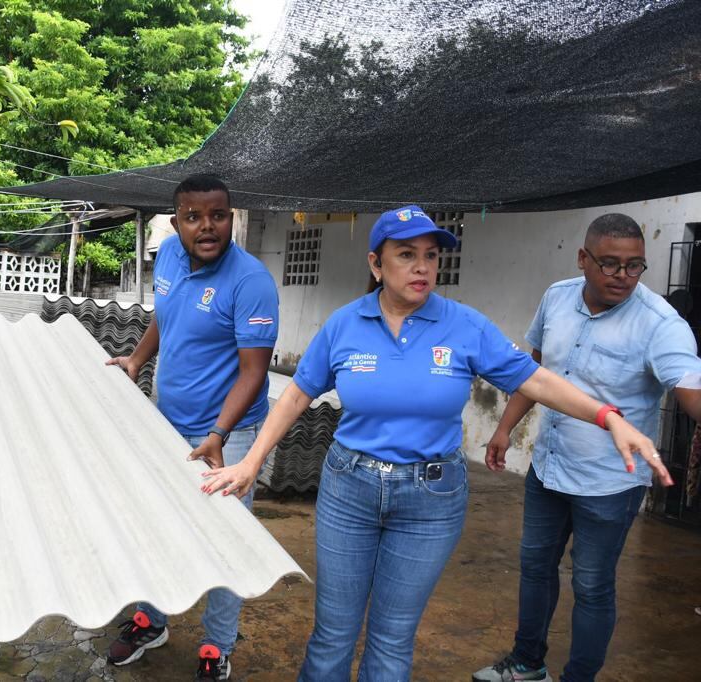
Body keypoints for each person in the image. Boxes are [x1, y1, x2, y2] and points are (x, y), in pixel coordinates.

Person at [199, 206, 672, 681]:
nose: (422, 266)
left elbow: (537, 380)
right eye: (406, 255)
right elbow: (296, 395)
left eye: (430, 255)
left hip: (430, 499)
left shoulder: (464, 325)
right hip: (349, 490)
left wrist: (607, 417)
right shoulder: (345, 324)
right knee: (332, 634)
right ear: (376, 264)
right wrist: (252, 462)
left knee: (392, 638)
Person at [472, 213, 701, 682]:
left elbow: (690, 388)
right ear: (583, 258)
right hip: (549, 467)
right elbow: (535, 373)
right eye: (610, 263)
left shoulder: (660, 323)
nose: (623, 276)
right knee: (535, 567)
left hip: (610, 482)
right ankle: (527, 663)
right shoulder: (557, 298)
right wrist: (505, 428)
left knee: (592, 584)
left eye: (635, 265)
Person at [104, 173, 279, 680]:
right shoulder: (168, 256)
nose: (207, 227)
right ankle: (152, 620)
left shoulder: (250, 282)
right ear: (176, 221)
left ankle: (216, 645)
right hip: (166, 422)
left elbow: (253, 371)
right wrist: (137, 360)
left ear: (231, 218)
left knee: (225, 539)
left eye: (218, 216)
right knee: (156, 524)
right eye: (193, 217)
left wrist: (218, 434)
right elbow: (167, 314)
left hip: (230, 436)